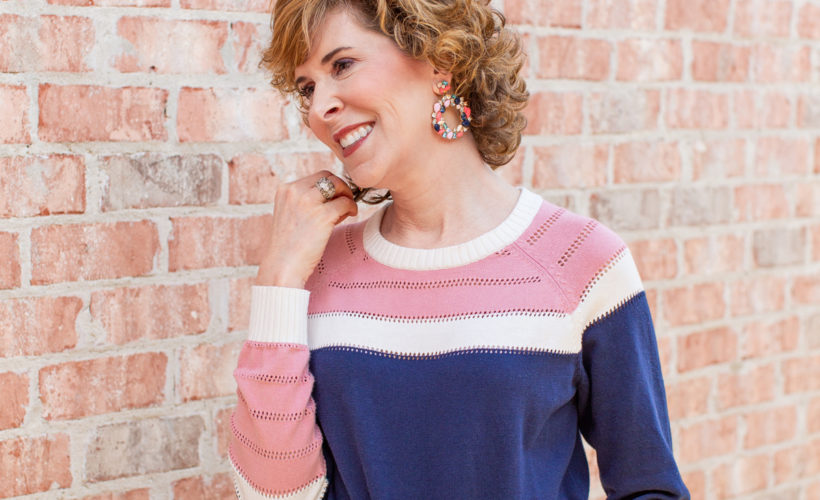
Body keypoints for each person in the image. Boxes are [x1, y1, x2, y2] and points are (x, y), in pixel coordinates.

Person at [229, 0, 690, 498]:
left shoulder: (582, 261)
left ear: (440, 60)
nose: (320, 109)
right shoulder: (316, 271)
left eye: (342, 65)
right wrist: (277, 280)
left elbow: (650, 486)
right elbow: (272, 494)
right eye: (307, 88)